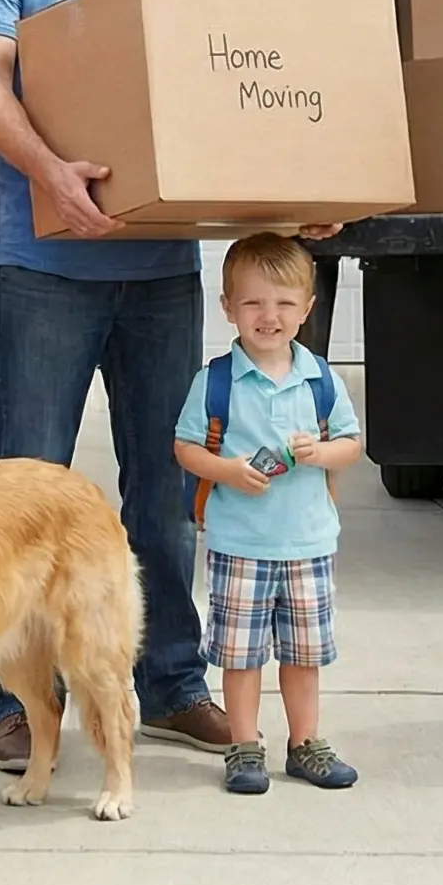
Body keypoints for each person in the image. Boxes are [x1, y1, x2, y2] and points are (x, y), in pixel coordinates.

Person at [0, 0, 339, 770]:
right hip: (42, 265)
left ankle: (169, 679)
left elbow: (210, 107)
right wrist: (52, 171)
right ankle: (19, 700)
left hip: (158, 268)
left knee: (162, 487)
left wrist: (295, 201)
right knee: (25, 492)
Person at [173, 234, 365, 795]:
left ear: (307, 309)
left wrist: (320, 453)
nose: (269, 316)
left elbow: (351, 446)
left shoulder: (321, 380)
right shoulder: (215, 382)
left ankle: (305, 743)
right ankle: (244, 744)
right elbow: (186, 448)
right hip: (240, 543)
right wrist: (227, 471)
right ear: (228, 307)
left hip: (307, 543)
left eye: (284, 303)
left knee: (304, 656)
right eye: (253, 303)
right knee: (242, 655)